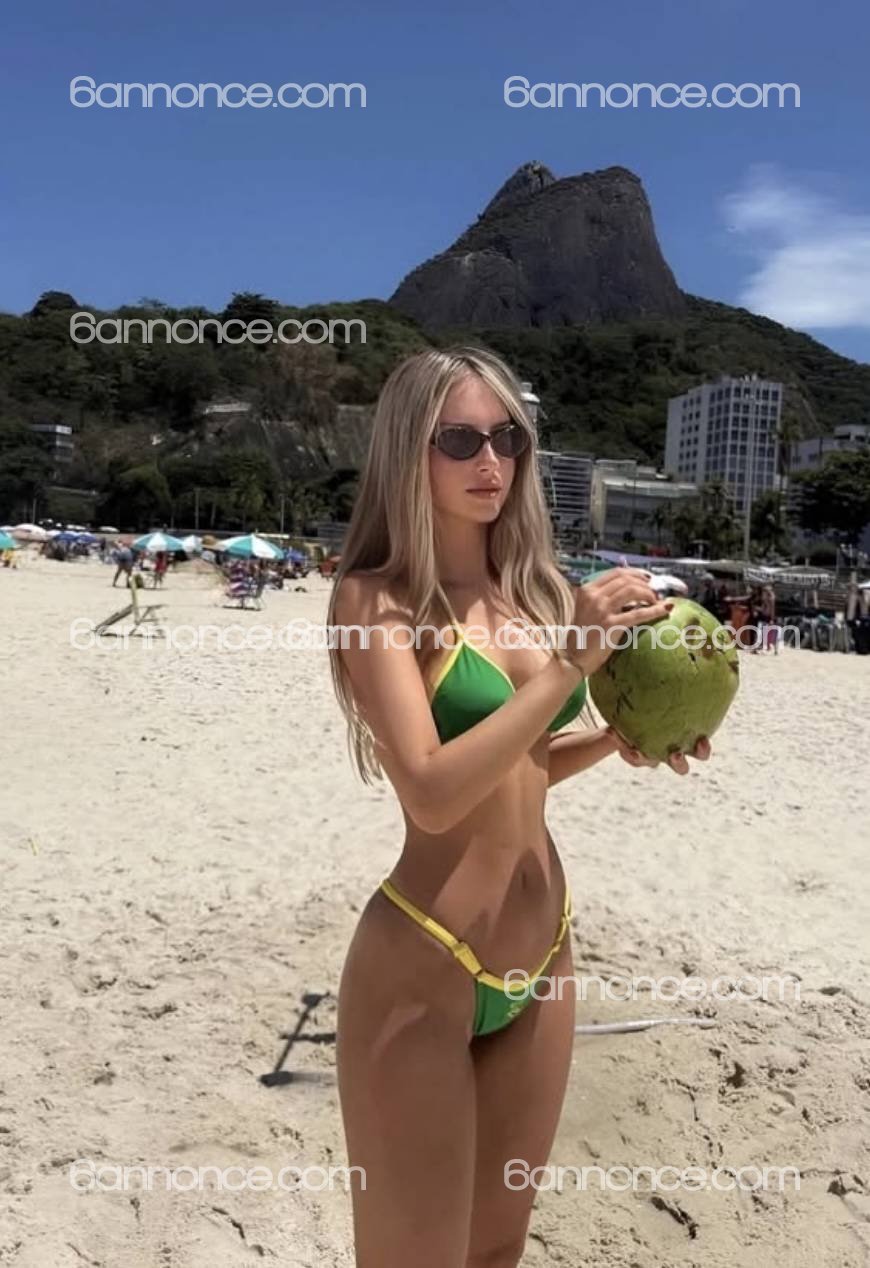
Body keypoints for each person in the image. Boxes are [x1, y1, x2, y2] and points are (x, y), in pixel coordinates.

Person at [327, 346, 712, 1267]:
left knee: (497, 1248)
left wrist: (621, 739)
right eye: (459, 440)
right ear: (407, 451)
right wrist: (571, 664)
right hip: (425, 961)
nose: (490, 461)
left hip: (544, 956)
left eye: (507, 438)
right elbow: (431, 790)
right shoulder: (375, 601)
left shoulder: (532, 594)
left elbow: (520, 766)